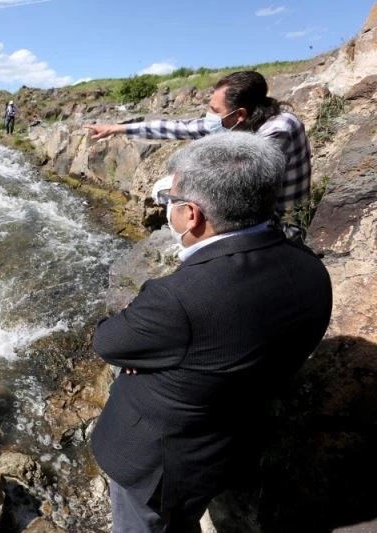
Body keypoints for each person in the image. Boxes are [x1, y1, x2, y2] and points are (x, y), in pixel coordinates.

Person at [91, 132, 332, 532]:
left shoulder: (178, 298)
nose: (167, 207)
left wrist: (153, 361)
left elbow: (108, 340)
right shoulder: (309, 267)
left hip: (163, 466)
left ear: (192, 215)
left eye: (171, 200)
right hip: (235, 438)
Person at [84, 71, 312, 241]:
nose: (209, 116)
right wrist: (117, 128)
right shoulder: (237, 121)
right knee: (174, 191)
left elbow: (240, 180)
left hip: (281, 228)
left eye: (214, 110)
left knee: (180, 199)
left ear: (240, 113)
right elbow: (177, 127)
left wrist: (179, 193)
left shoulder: (280, 128)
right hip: (254, 213)